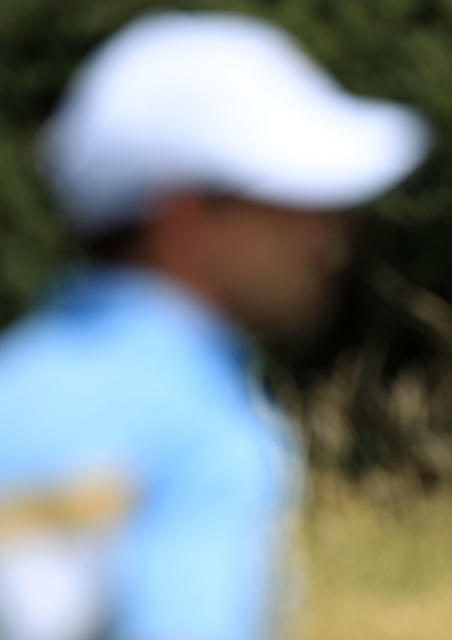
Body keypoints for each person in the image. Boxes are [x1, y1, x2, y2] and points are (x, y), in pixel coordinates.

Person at [0, 9, 428, 640]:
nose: (328, 237)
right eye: (294, 200)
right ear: (186, 219)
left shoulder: (18, 384)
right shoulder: (199, 427)